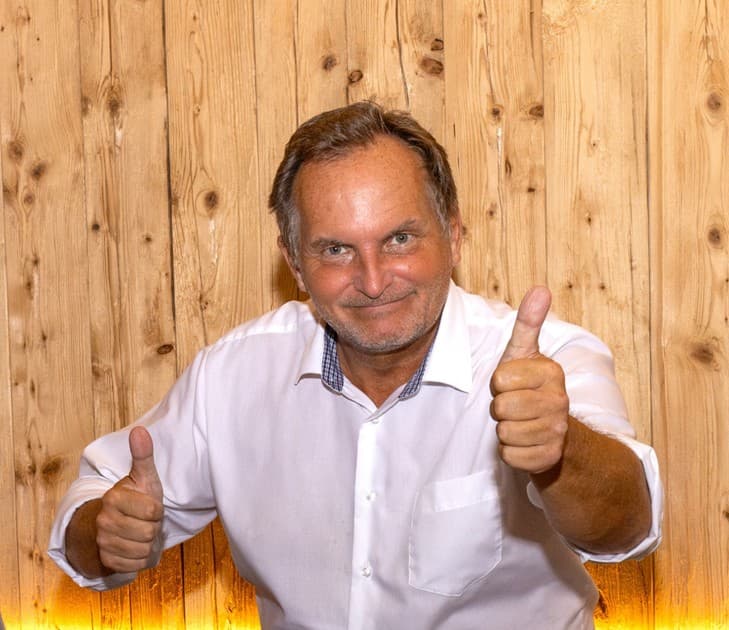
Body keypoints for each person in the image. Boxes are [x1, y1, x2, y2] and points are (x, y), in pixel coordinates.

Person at [49, 101, 662, 629]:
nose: (372, 280)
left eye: (400, 239)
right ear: (295, 262)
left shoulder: (546, 361)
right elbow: (90, 511)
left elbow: (629, 528)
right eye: (336, 249)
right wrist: (104, 533)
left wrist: (561, 453)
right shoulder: (232, 377)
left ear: (453, 234)